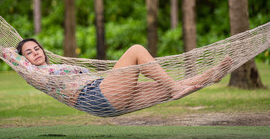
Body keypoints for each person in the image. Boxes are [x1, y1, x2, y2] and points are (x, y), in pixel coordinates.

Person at [13, 38, 231, 117]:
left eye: (36, 48)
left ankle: (211, 76)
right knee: (136, 50)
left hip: (105, 100)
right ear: (24, 61)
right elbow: (8, 53)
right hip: (96, 95)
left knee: (169, 88)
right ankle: (176, 87)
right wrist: (7, 50)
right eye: (28, 53)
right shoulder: (35, 75)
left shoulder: (55, 67)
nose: (35, 53)